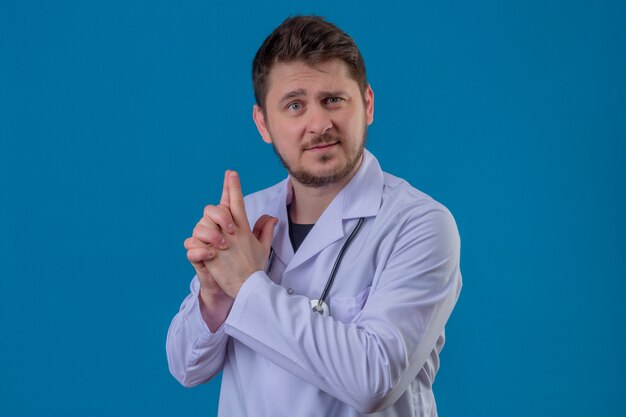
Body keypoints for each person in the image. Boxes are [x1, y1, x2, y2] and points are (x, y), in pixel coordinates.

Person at [166, 15, 462, 417]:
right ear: (263, 124)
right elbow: (186, 367)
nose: (319, 124)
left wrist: (246, 284)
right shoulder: (247, 217)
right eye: (294, 105)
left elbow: (373, 380)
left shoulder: (420, 224)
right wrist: (214, 297)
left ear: (368, 104)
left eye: (333, 100)